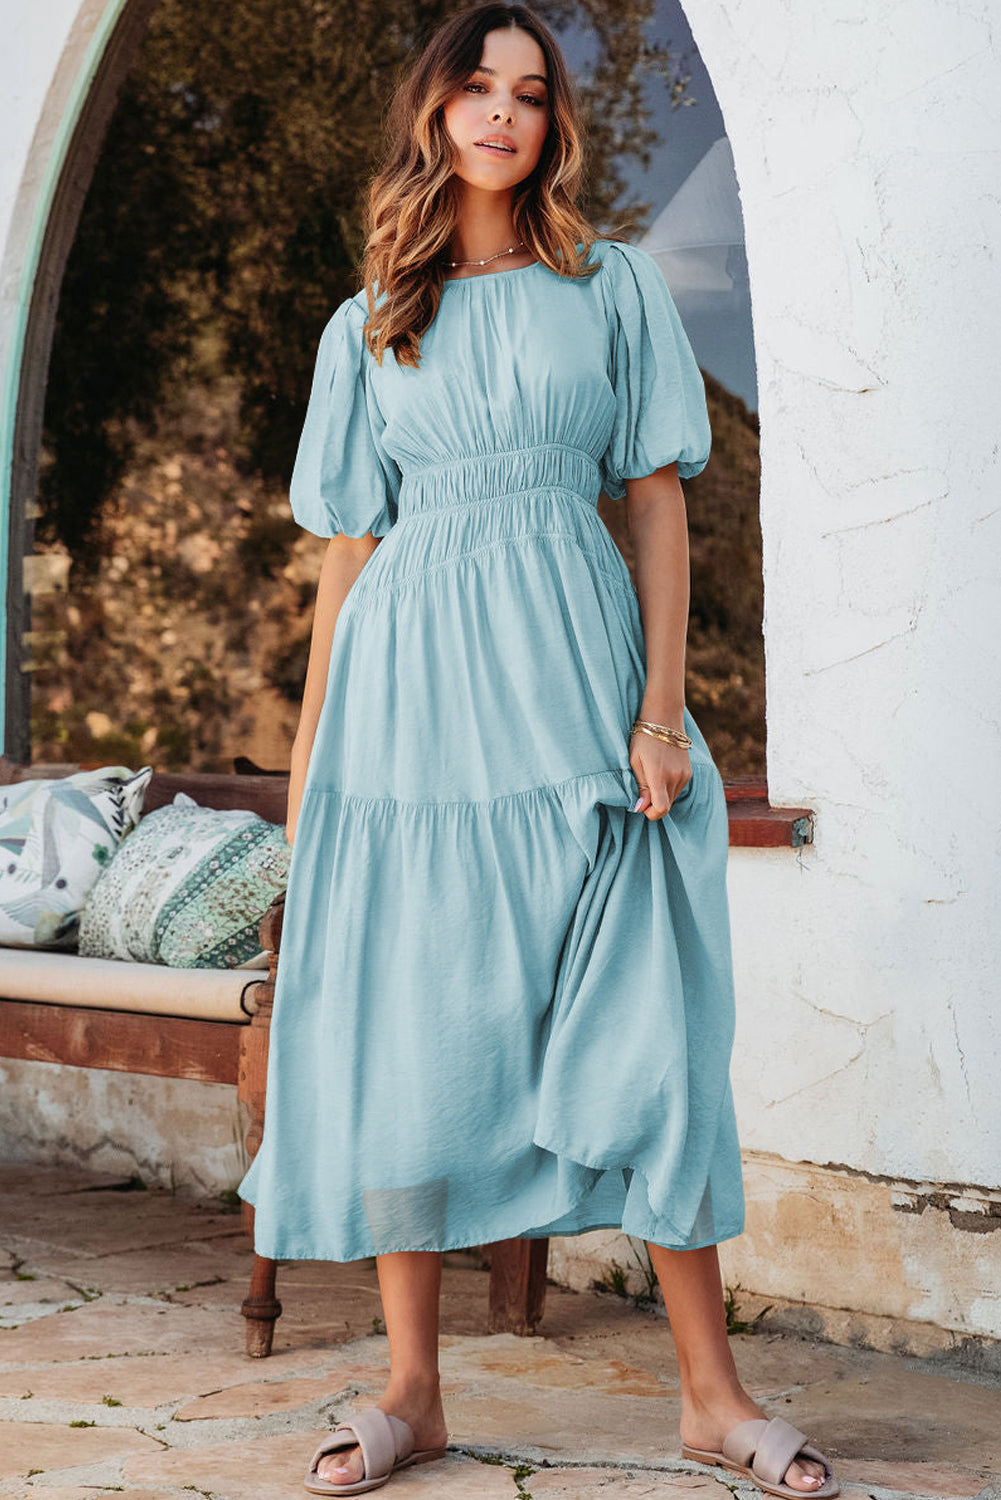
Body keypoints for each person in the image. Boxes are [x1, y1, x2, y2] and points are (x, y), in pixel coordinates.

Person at [237, 5, 840, 1497]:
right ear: (433, 112)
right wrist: (314, 778)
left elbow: (652, 503)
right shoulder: (370, 313)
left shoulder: (607, 287)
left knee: (650, 1013)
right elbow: (345, 557)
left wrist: (658, 712)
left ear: (549, 124)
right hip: (411, 708)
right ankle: (410, 1390)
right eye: (475, 89)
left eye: (528, 93)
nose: (501, 114)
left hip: (571, 681)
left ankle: (709, 1396)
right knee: (409, 1017)